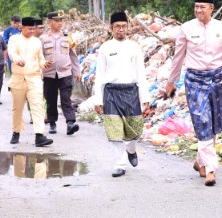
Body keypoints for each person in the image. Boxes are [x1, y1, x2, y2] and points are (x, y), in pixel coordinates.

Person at [165, 0, 222, 186]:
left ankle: (200, 161)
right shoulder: (186, 28)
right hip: (194, 80)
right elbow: (178, 57)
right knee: (202, 120)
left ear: (211, 8)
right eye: (196, 6)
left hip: (217, 79)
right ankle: (211, 169)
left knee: (212, 124)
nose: (198, 10)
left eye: (202, 7)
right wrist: (171, 81)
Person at [94, 12, 149, 177]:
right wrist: (98, 99)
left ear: (128, 28)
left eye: (123, 26)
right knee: (114, 130)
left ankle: (131, 149)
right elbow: (99, 76)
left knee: (136, 128)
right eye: (117, 27)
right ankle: (119, 164)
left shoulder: (134, 47)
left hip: (131, 91)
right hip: (111, 92)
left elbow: (141, 74)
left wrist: (145, 98)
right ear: (111, 29)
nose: (120, 30)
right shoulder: (105, 48)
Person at [7, 17, 52, 147]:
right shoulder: (14, 39)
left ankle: (39, 135)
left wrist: (45, 64)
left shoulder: (37, 42)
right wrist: (16, 59)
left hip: (34, 78)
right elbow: (12, 52)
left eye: (34, 29)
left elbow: (40, 60)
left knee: (38, 106)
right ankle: (16, 132)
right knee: (17, 108)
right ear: (22, 27)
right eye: (30, 29)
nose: (32, 31)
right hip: (18, 78)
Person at [41, 11, 82, 135]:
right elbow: (39, 57)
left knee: (66, 98)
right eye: (56, 21)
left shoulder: (67, 36)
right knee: (51, 98)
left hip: (65, 73)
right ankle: (52, 122)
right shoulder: (43, 38)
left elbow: (73, 55)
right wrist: (39, 70)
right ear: (49, 22)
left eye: (61, 21)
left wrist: (77, 71)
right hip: (49, 74)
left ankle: (70, 122)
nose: (59, 23)